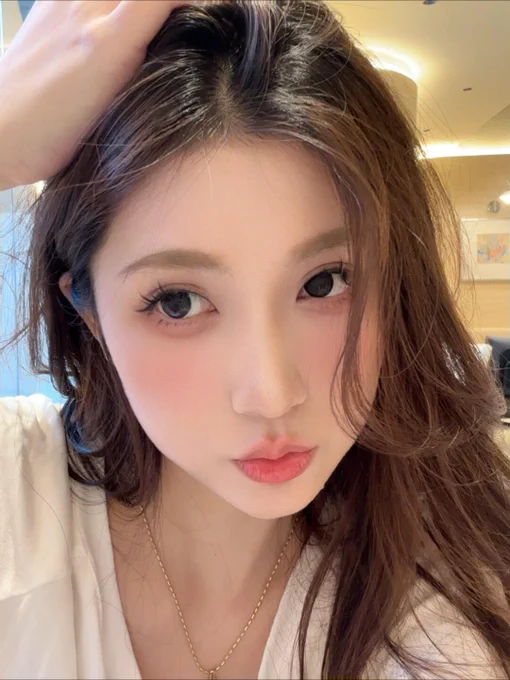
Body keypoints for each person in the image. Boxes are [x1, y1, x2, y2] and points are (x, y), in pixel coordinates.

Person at [0, 1, 509, 678]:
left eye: (326, 282)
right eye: (178, 302)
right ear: (89, 314)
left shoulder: (437, 613)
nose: (271, 394)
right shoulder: (18, 503)